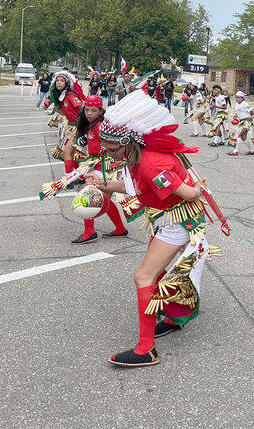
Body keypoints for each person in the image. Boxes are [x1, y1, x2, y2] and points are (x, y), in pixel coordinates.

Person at [84, 90, 215, 367]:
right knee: (159, 274)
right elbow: (137, 188)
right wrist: (103, 184)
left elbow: (190, 194)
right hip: (165, 220)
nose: (107, 153)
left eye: (111, 149)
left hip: (176, 223)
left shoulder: (151, 163)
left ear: (127, 143)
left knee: (143, 276)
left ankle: (146, 349)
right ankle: (172, 318)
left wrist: (196, 189)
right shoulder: (137, 156)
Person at [70, 94, 129, 244]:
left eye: (94, 110)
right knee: (104, 200)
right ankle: (120, 229)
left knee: (88, 194)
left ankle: (89, 231)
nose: (89, 113)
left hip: (105, 165)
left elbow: (111, 146)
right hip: (98, 164)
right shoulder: (91, 125)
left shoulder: (100, 126)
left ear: (101, 111)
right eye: (87, 110)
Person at [44, 70, 87, 184]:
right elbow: (64, 113)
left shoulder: (70, 95)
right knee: (70, 153)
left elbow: (82, 107)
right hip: (70, 127)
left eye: (62, 81)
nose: (59, 83)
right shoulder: (62, 97)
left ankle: (69, 178)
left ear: (66, 84)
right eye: (57, 81)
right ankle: (80, 176)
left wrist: (83, 122)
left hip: (78, 127)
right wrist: (52, 108)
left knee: (67, 152)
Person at [227, 91, 254, 156]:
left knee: (237, 135)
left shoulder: (245, 104)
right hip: (241, 121)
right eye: (236, 97)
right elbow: (240, 112)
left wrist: (248, 118)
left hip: (247, 122)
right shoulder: (237, 104)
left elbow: (252, 112)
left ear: (242, 98)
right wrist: (236, 115)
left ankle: (235, 151)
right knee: (244, 137)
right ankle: (251, 150)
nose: (237, 99)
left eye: (239, 98)